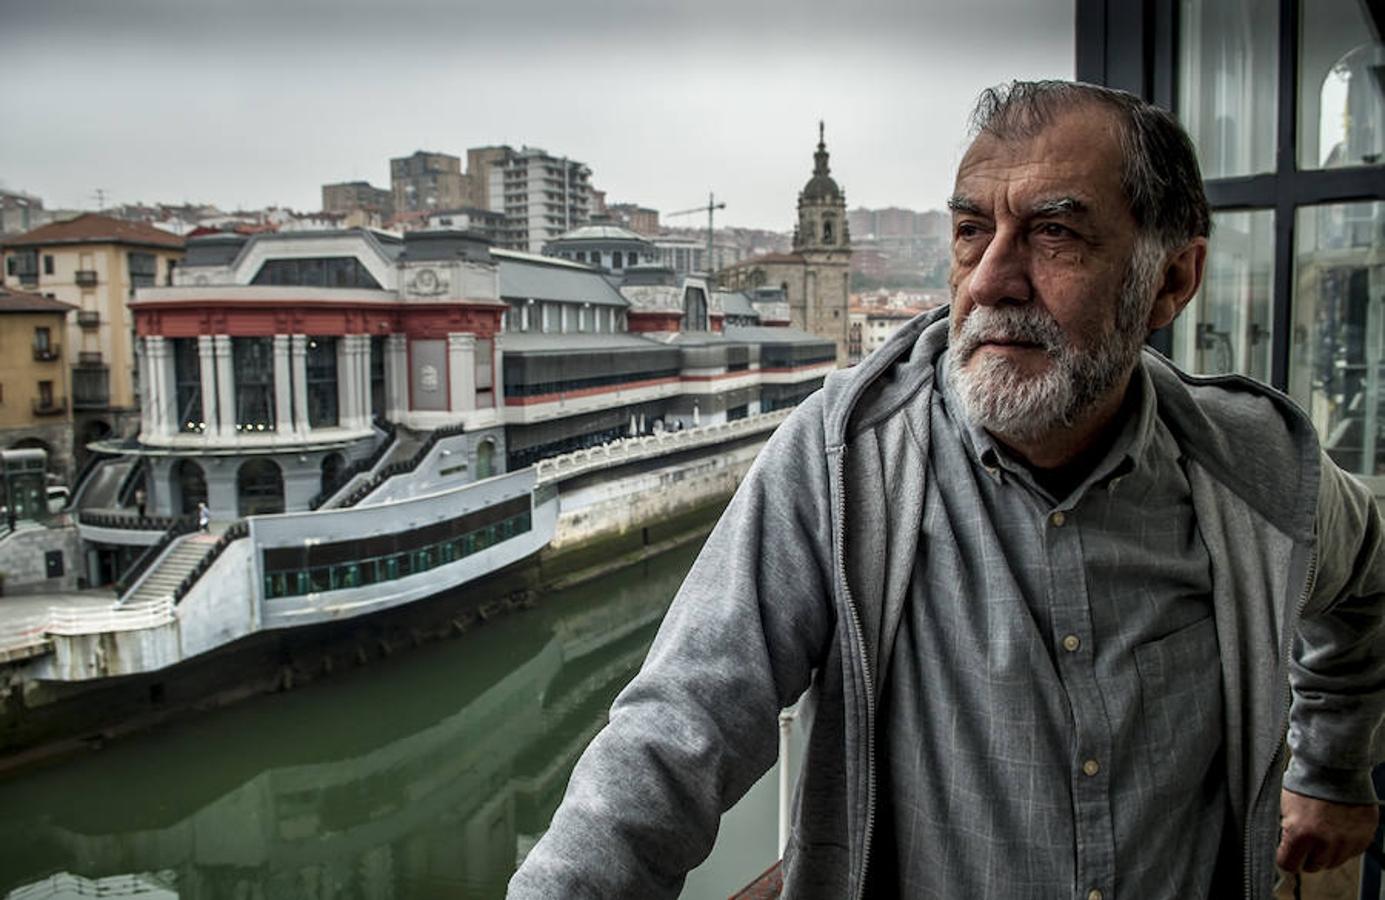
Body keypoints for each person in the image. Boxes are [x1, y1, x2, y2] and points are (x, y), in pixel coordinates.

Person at [508, 81, 1385, 899]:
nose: (990, 283)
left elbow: (1369, 586)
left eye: (1054, 234)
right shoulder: (842, 461)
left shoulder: (1255, 466)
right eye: (971, 232)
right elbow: (674, 732)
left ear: (1171, 281)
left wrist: (1331, 768)